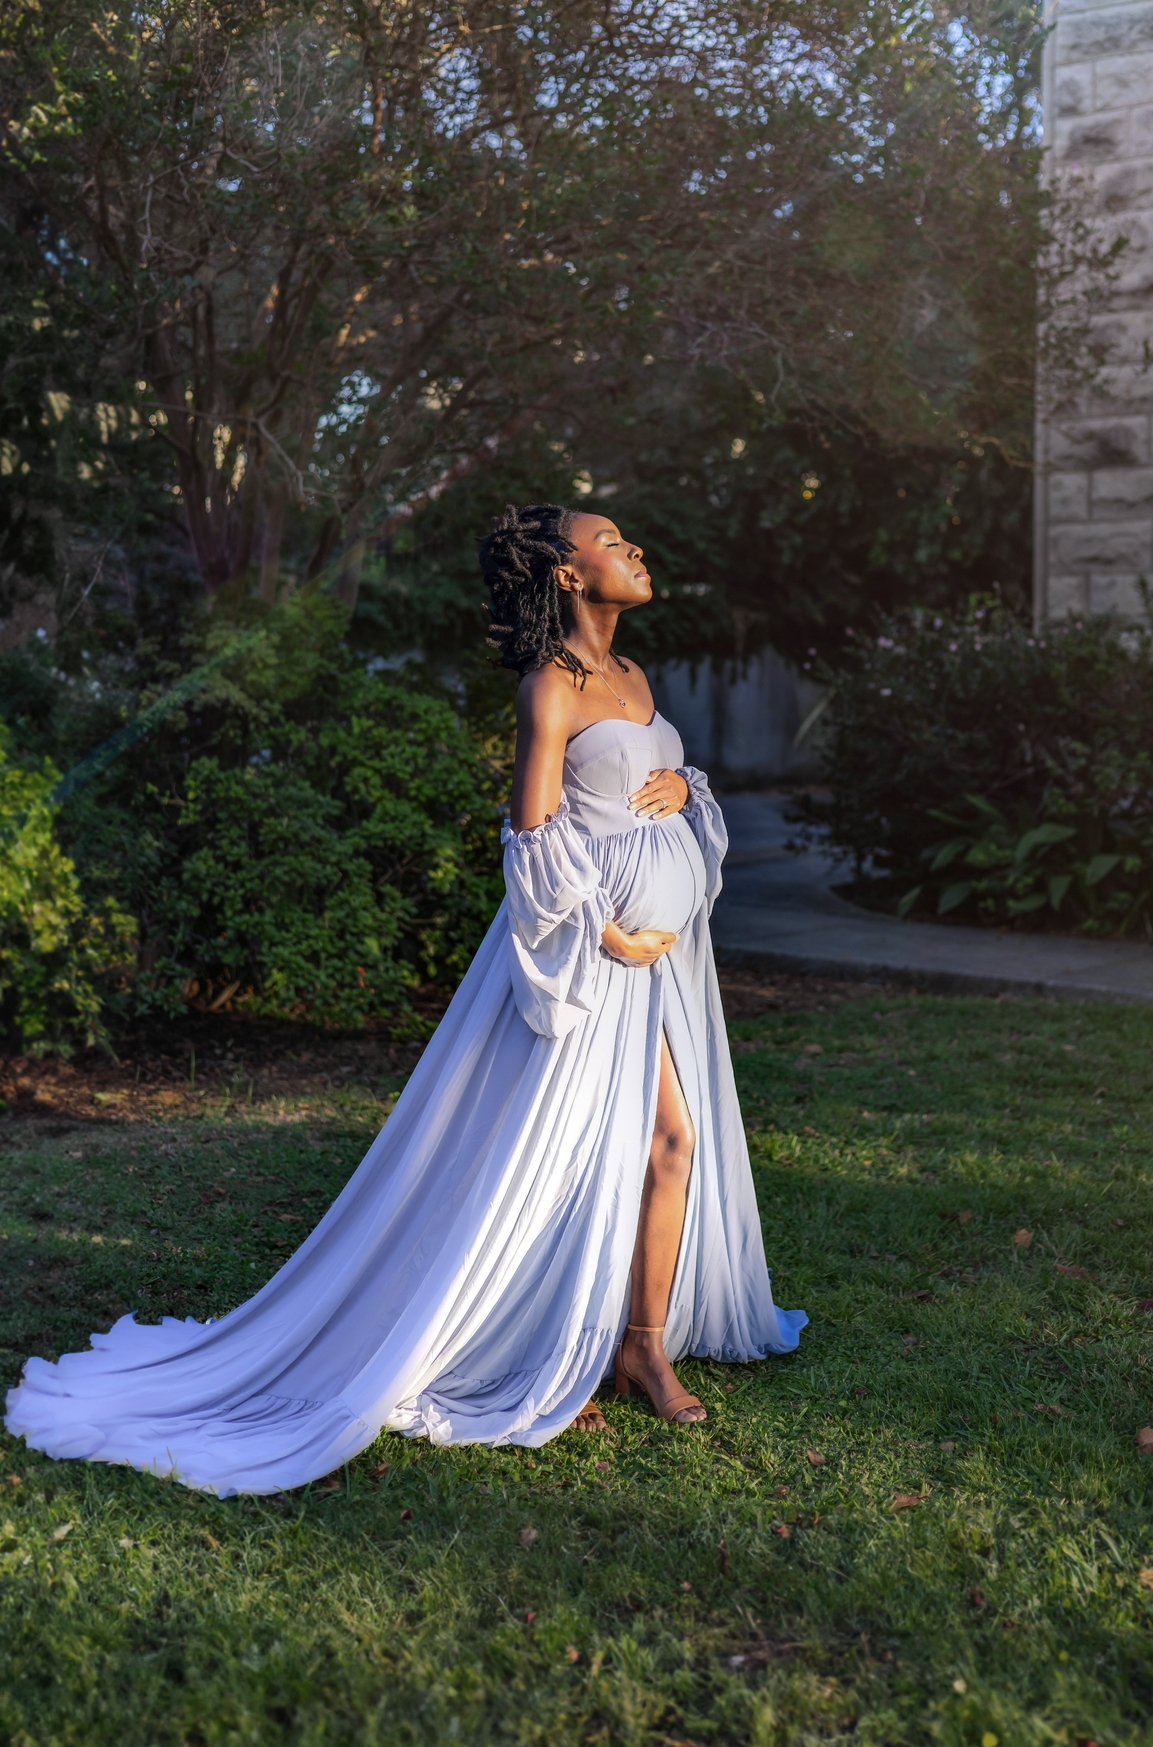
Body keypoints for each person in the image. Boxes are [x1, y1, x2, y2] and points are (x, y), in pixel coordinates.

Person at [4, 503, 807, 1497]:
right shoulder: (547, 689)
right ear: (565, 574)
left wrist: (686, 788)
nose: (634, 547)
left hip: (662, 971)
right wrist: (603, 933)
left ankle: (641, 1346)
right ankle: (537, 1343)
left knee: (670, 1148)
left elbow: (657, 778)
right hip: (585, 963)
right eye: (609, 541)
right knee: (562, 1160)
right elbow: (531, 837)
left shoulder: (636, 679)